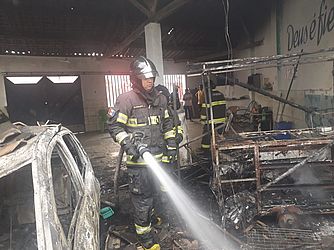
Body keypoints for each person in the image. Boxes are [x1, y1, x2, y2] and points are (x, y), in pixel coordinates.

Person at [108, 56, 180, 250]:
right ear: (135, 79)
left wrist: (172, 144)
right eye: (145, 78)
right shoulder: (126, 100)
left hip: (160, 162)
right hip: (139, 166)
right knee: (142, 201)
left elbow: (167, 124)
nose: (150, 81)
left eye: (152, 77)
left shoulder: (161, 99)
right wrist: (130, 146)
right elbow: (115, 127)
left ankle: (154, 221)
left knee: (159, 195)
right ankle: (145, 238)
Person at [200, 80, 226, 153]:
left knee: (207, 135)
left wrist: (202, 120)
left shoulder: (208, 97)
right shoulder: (221, 94)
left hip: (212, 120)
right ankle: (223, 148)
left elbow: (204, 110)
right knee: (220, 135)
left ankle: (205, 150)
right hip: (222, 120)